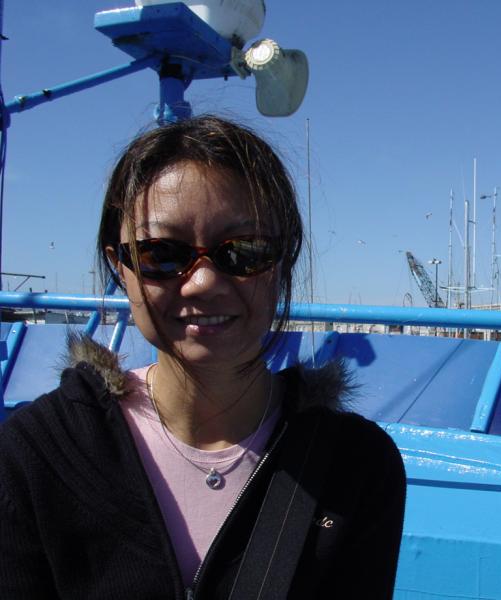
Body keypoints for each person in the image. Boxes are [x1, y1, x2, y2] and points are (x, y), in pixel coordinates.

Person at [0, 115, 406, 599]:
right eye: (162, 254)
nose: (204, 282)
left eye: (245, 250)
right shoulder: (33, 457)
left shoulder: (358, 465)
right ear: (120, 267)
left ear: (284, 260)